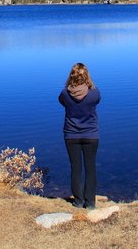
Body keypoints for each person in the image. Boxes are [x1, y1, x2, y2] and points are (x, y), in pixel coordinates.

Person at [58, 62, 101, 209]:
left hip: (71, 135)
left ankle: (78, 201)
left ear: (71, 75)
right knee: (90, 168)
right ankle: (90, 203)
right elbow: (97, 101)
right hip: (91, 135)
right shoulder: (94, 93)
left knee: (75, 168)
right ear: (86, 75)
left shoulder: (65, 93)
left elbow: (62, 102)